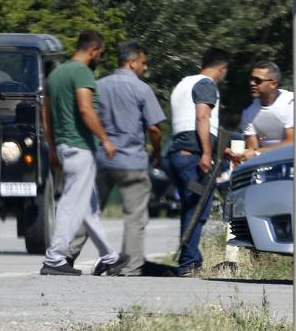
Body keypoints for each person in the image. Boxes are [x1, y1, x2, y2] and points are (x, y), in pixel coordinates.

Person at [69, 41, 166, 276]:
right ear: (132, 63)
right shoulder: (142, 89)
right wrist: (156, 152)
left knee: (89, 210)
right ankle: (130, 267)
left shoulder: (98, 86)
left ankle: (66, 255)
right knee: (135, 215)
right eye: (143, 62)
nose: (145, 67)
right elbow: (154, 129)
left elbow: (85, 117)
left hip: (102, 158)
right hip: (131, 162)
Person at [40, 30, 128, 276]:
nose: (101, 56)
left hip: (64, 146)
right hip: (80, 146)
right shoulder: (82, 73)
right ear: (93, 49)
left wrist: (52, 147)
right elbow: (86, 109)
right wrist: (105, 139)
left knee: (88, 207)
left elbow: (45, 115)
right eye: (101, 52)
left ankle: (109, 256)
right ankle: (55, 257)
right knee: (71, 204)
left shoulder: (56, 74)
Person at [165, 48, 229, 277]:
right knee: (198, 210)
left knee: (191, 208)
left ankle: (190, 259)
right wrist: (206, 153)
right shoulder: (206, 84)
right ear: (222, 68)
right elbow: (202, 117)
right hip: (194, 157)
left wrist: (224, 150)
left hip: (178, 155)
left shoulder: (182, 84)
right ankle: (188, 264)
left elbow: (185, 126)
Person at [226, 61, 296, 162]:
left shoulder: (293, 102)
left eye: (258, 81)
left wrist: (257, 153)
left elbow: (292, 143)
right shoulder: (248, 111)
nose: (252, 83)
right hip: (271, 166)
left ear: (273, 84)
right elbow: (252, 149)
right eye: (251, 79)